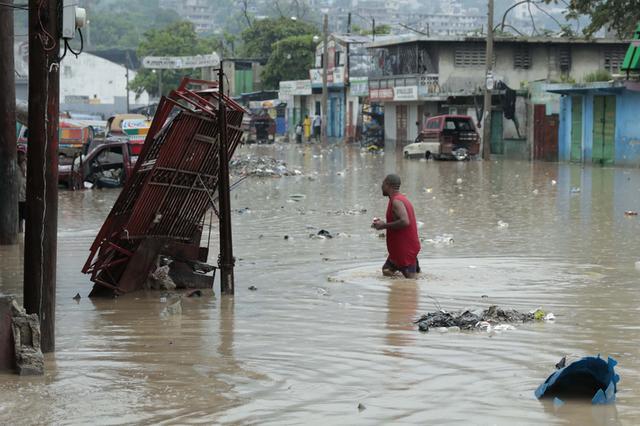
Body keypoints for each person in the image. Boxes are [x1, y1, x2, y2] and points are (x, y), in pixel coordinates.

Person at [372, 174, 421, 278]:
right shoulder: (400, 199)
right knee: (386, 270)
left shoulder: (396, 201)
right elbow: (399, 220)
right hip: (399, 250)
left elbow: (405, 221)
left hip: (404, 250)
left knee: (411, 283)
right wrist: (383, 223)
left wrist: (384, 225)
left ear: (388, 185)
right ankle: (397, 288)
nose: (381, 187)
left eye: (383, 184)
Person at [17, 149, 27, 233]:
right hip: (16, 199)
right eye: (18, 154)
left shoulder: (28, 167)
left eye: (22, 154)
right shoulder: (13, 166)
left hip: (25, 199)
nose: (20, 156)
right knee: (18, 221)